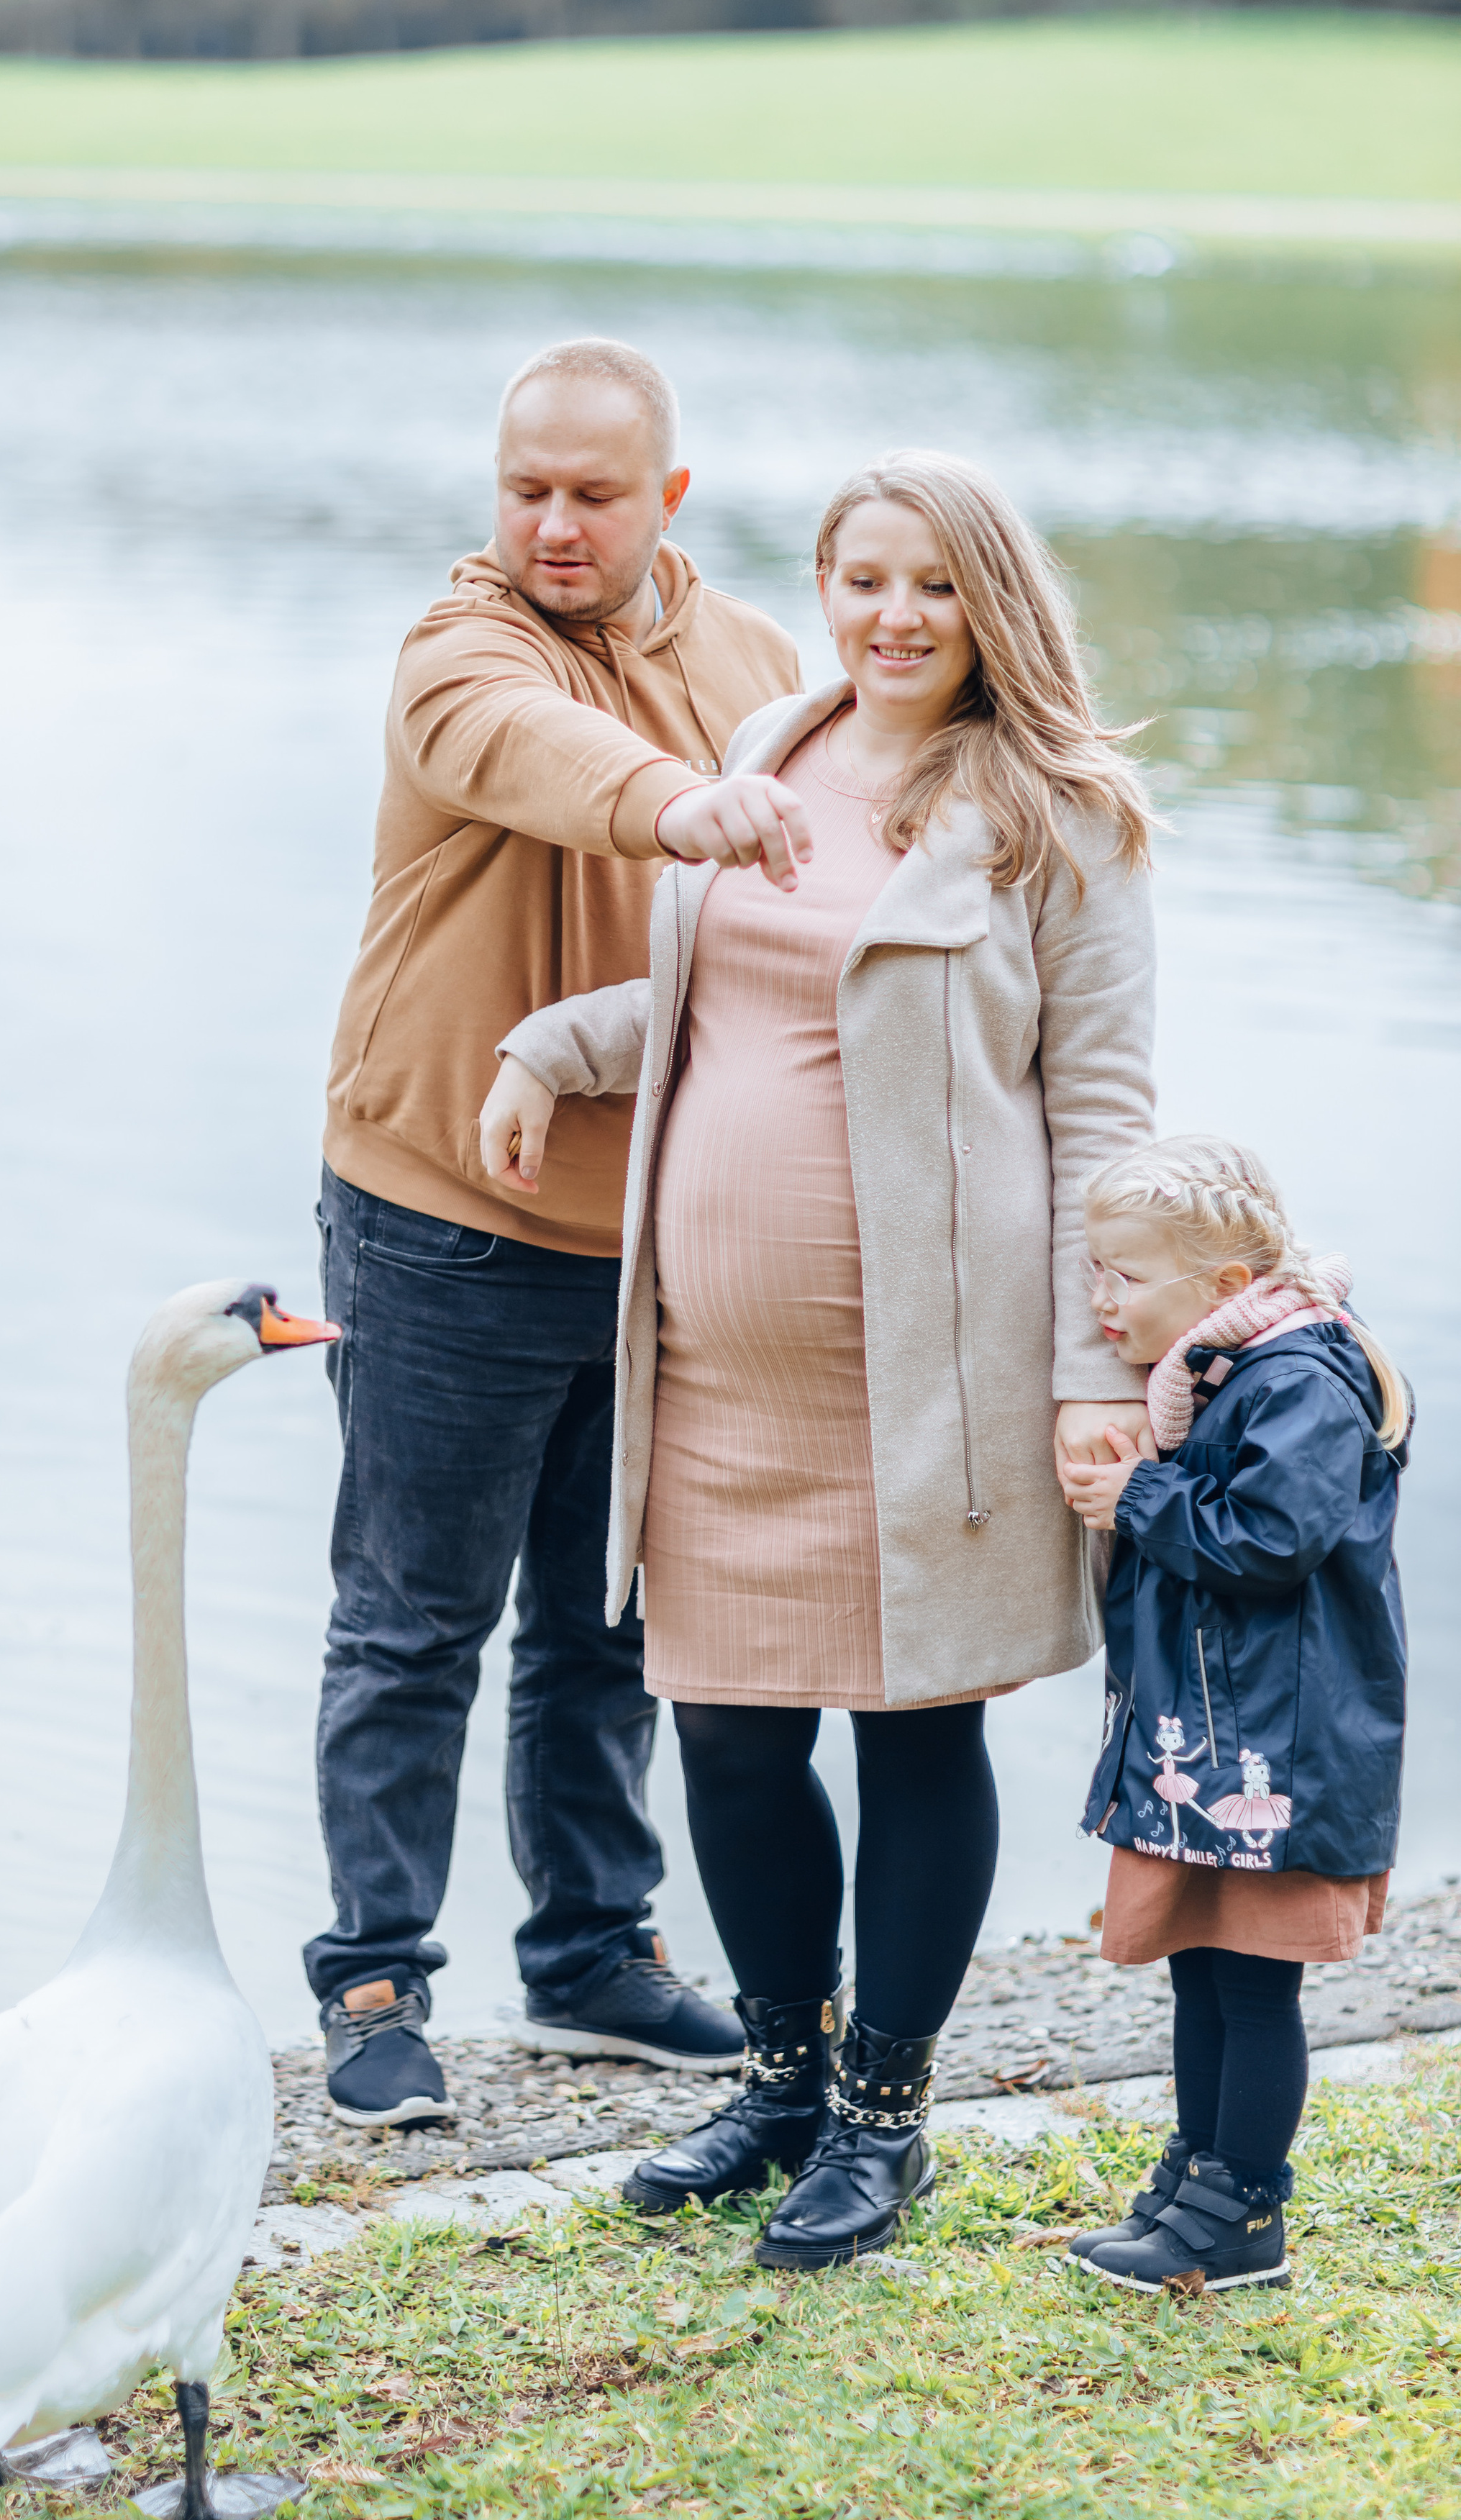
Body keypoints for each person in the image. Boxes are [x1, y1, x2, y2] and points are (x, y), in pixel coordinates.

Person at [480, 449, 1157, 2267]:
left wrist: (1095, 1377)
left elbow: (1097, 1116)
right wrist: (552, 1051)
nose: (889, 615)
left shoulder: (1052, 814)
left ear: (990, 604)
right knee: (725, 1731)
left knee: (913, 1731)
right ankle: (778, 2079)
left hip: (923, 1377)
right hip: (708, 1371)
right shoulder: (768, 749)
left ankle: (882, 2113)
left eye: (930, 584)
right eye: (860, 577)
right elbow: (720, 1002)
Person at [310, 337, 803, 2127]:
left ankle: (592, 1955)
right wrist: (686, 804)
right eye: (524, 486)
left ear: (666, 498)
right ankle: (373, 1981)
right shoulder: (459, 647)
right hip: (439, 1217)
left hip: (656, 1230)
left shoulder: (755, 662)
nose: (551, 522)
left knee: (603, 1627)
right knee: (411, 1622)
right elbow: (543, 755)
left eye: (592, 493)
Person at [1062, 1134, 1410, 2294]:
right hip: (1216, 1737)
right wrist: (1146, 1472)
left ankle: (1244, 2210)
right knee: (1201, 1967)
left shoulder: (1300, 1376)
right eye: (1093, 1271)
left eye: (1124, 1275)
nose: (1101, 1298)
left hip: (1283, 1749)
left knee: (1255, 1982)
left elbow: (1273, 1540)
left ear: (1219, 1289)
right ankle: (1198, 2175)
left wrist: (1144, 1493)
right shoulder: (1222, 1371)